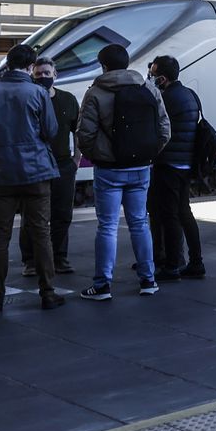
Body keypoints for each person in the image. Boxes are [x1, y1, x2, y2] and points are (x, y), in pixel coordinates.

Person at [76, 43, 169, 301]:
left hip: (109, 170)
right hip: (141, 167)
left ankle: (102, 285)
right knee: (140, 222)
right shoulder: (148, 88)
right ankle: (148, 280)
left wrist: (100, 156)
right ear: (127, 63)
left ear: (103, 66)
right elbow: (164, 129)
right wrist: (148, 154)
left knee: (107, 226)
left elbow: (85, 134)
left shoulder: (95, 92)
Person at [0, 44, 64, 312]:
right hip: (36, 171)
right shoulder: (38, 92)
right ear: (30, 66)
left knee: (0, 235)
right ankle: (48, 293)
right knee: (41, 233)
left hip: (3, 172)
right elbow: (51, 130)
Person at [19, 57, 80, 277]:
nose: (43, 77)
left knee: (62, 213)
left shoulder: (68, 99)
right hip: (35, 164)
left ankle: (59, 258)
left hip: (63, 164)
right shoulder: (27, 98)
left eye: (47, 73)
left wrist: (76, 159)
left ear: (55, 74)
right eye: (38, 74)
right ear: (32, 75)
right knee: (32, 214)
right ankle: (31, 261)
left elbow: (77, 130)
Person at [147, 55, 205, 280]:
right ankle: (196, 262)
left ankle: (172, 265)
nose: (150, 78)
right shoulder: (190, 95)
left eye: (152, 74)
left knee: (169, 215)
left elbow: (155, 127)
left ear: (162, 78)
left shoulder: (167, 98)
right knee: (184, 212)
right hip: (185, 164)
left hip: (168, 164)